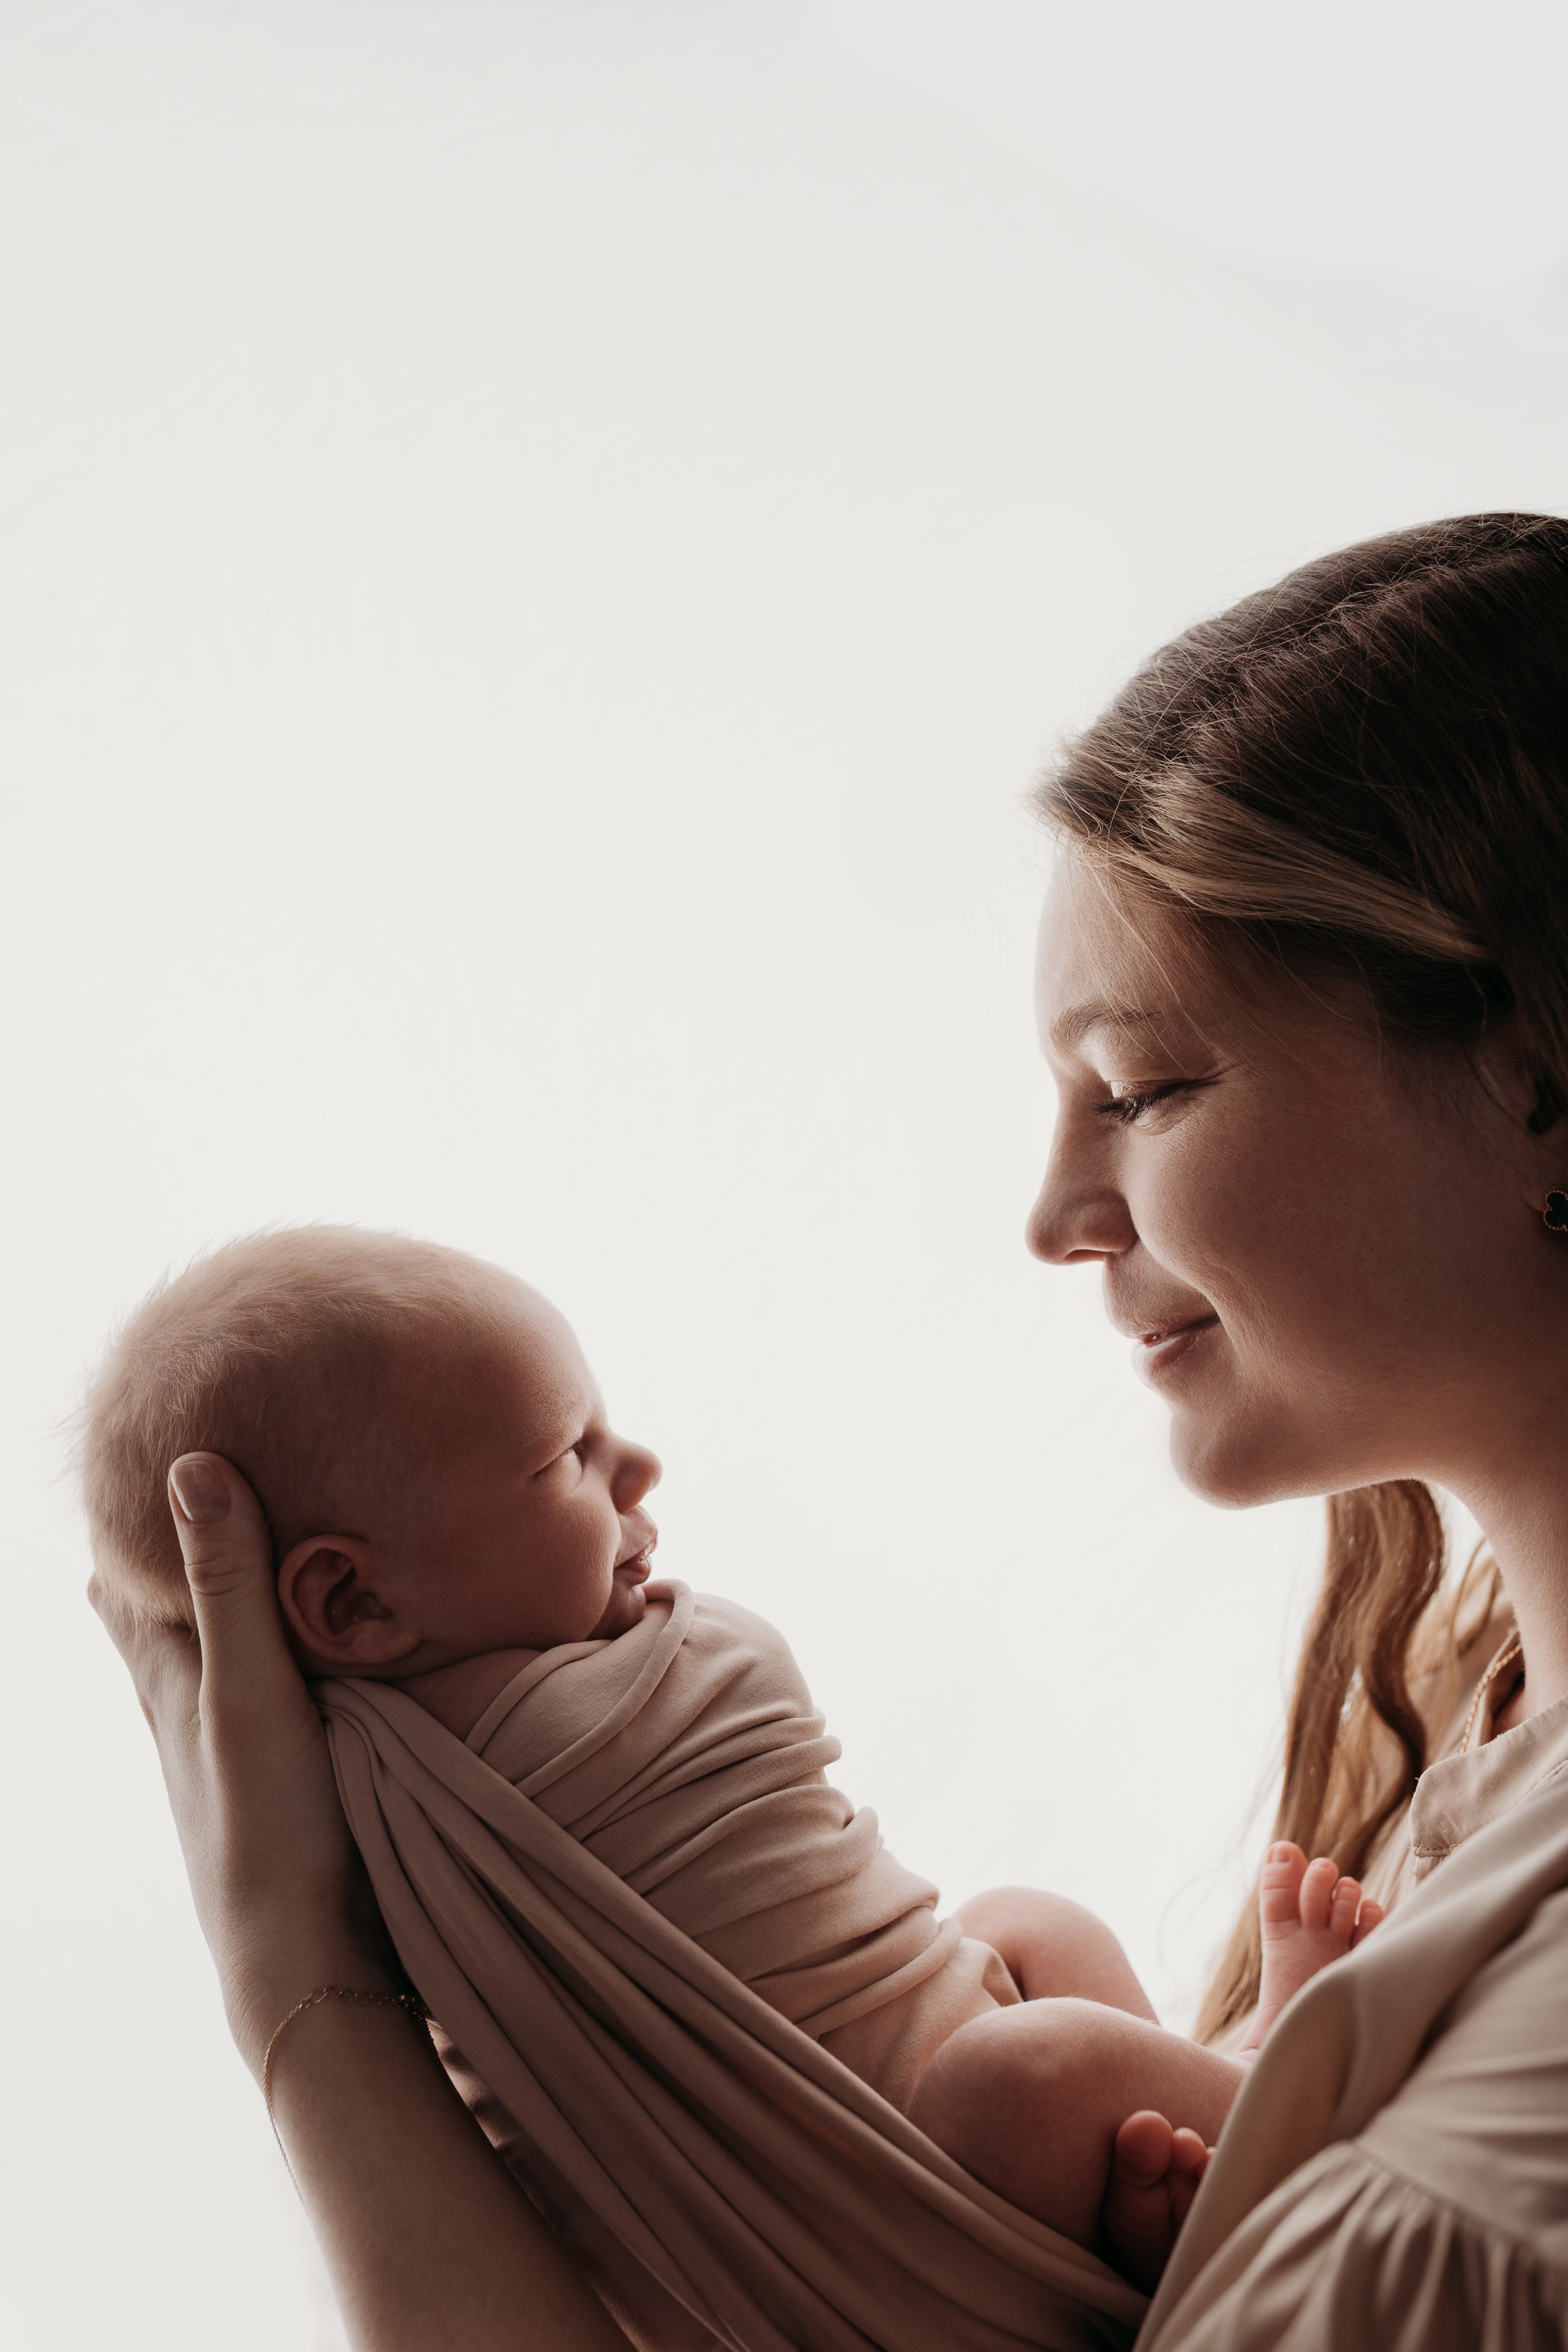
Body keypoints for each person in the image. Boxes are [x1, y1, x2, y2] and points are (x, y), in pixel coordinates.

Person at [93, 510, 1568, 2349]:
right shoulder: (1472, 1799)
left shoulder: (1502, 2147)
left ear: (1542, 1069)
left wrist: (309, 2012)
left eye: (1143, 1087)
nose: (1054, 1214)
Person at [79, 1226, 1381, 2323]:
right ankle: (1273, 2083)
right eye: (566, 1459)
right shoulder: (445, 1780)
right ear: (352, 1603)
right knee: (1026, 2068)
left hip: (933, 2129)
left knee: (1022, 1927)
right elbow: (733, 1666)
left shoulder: (369, 1790)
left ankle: (1168, 2160)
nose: (636, 1469)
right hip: (874, 2243)